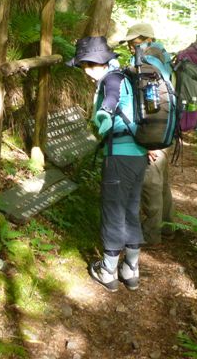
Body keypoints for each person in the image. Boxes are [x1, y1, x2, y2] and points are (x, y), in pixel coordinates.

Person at [67, 35, 148, 292]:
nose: (84, 71)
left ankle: (108, 270)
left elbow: (109, 102)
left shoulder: (111, 80)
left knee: (114, 211)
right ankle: (131, 270)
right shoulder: (126, 77)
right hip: (139, 155)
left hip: (119, 156)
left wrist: (102, 116)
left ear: (93, 64)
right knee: (131, 210)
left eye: (84, 65)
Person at [121, 23, 175, 246]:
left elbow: (148, 104)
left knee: (151, 184)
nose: (130, 47)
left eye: (133, 42)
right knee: (162, 182)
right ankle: (168, 226)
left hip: (153, 134)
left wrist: (148, 141)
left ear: (147, 39)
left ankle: (152, 235)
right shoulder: (163, 57)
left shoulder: (146, 63)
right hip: (166, 130)